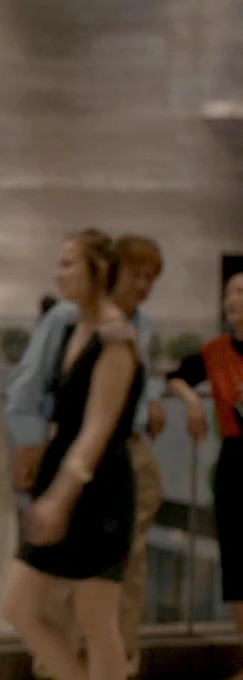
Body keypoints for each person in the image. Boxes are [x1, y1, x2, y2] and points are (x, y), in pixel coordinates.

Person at [5, 235, 166, 679]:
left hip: (97, 488)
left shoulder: (116, 337)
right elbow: (38, 389)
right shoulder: (72, 325)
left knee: (96, 618)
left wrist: (61, 495)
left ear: (97, 271)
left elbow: (98, 428)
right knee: (30, 608)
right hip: (73, 471)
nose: (59, 274)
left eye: (68, 263)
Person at [166, 271, 243, 680]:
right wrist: (193, 402)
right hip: (236, 462)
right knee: (239, 568)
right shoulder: (215, 351)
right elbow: (175, 377)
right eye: (229, 292)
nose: (233, 299)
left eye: (242, 291)